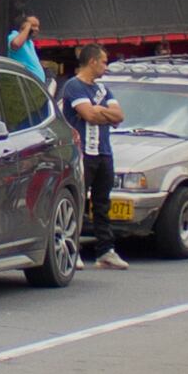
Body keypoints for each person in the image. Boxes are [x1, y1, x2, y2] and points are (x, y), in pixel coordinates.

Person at [55, 45, 129, 268]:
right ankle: (72, 248)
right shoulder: (73, 86)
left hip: (104, 152)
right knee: (78, 201)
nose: (106, 66)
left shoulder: (103, 89)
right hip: (82, 153)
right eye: (104, 62)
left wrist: (100, 111)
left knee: (102, 203)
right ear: (93, 62)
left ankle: (105, 251)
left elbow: (119, 116)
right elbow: (88, 115)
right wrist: (100, 113)